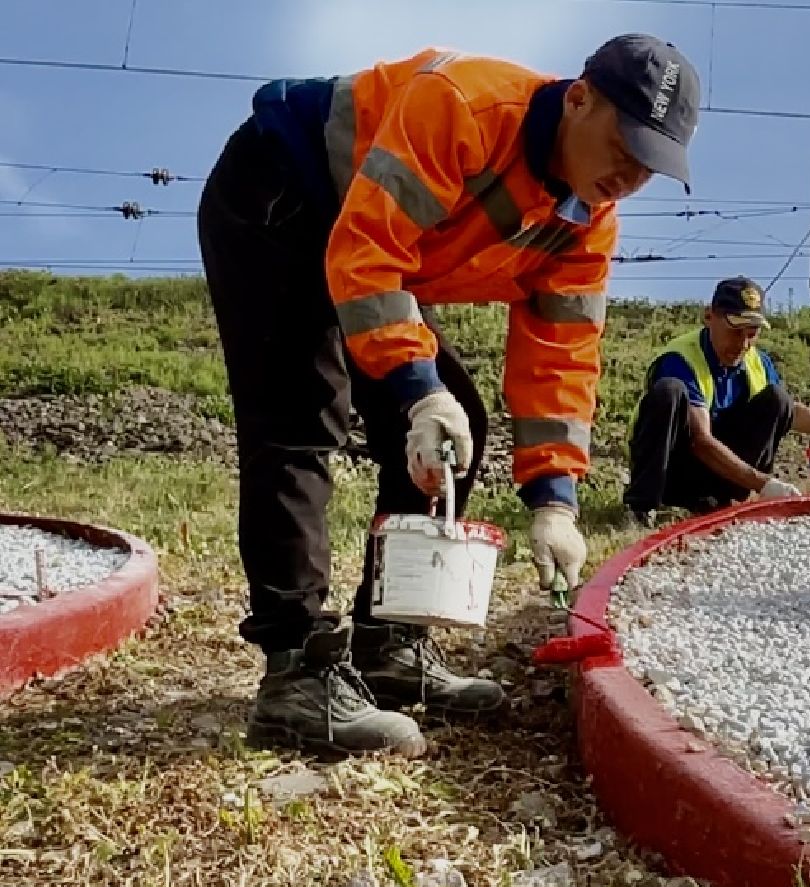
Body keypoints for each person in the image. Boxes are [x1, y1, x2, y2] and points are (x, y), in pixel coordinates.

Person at [197, 35, 701, 758]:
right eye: (626, 145)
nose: (630, 174)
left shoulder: (586, 222)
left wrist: (555, 500)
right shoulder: (464, 107)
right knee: (301, 418)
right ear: (580, 99)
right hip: (284, 189)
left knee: (454, 421)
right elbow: (367, 253)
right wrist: (415, 391)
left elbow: (559, 358)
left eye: (652, 165)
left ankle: (389, 644)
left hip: (369, 246)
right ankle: (296, 677)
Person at [621, 276, 810, 524]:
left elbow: (789, 410)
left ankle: (720, 501)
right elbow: (700, 441)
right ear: (709, 317)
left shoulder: (754, 360)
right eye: (735, 331)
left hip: (718, 472)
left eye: (752, 333)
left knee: (777, 399)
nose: (743, 344)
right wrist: (763, 483)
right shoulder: (680, 359)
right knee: (669, 391)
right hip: (674, 472)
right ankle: (642, 507)